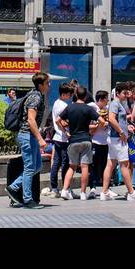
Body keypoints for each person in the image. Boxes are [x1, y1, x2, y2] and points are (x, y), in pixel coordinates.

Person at [7, 72, 49, 208]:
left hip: (30, 136)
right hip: (27, 135)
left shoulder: (36, 95)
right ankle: (27, 199)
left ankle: (13, 187)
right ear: (41, 84)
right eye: (47, 83)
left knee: (37, 166)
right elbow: (31, 120)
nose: (49, 85)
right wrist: (40, 138)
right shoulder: (35, 97)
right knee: (30, 167)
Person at [101, 82, 135, 201]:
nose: (126, 95)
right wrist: (121, 132)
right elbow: (111, 118)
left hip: (114, 138)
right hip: (118, 139)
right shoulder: (115, 104)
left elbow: (117, 120)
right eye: (124, 93)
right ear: (118, 93)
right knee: (124, 165)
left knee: (110, 164)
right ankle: (131, 193)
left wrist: (126, 127)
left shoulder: (117, 104)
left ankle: (104, 191)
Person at [57, 87, 99, 200]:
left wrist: (65, 132)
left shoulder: (69, 107)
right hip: (86, 139)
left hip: (73, 140)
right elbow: (102, 120)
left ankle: (65, 190)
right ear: (85, 96)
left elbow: (57, 120)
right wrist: (94, 130)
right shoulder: (88, 108)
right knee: (85, 167)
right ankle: (83, 193)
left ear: (76, 94)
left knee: (72, 166)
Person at [47, 82, 73, 199]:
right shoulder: (63, 106)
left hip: (57, 137)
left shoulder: (56, 103)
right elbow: (61, 121)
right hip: (63, 138)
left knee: (56, 163)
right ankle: (65, 188)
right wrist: (66, 131)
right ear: (65, 94)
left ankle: (54, 187)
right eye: (69, 94)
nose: (71, 96)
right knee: (65, 163)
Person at [89, 89, 110, 190]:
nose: (108, 101)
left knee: (105, 165)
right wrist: (99, 123)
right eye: (106, 99)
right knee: (93, 165)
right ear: (101, 99)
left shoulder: (108, 109)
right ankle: (92, 187)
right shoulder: (92, 109)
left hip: (106, 142)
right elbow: (89, 128)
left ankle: (106, 187)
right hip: (95, 141)